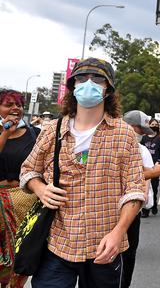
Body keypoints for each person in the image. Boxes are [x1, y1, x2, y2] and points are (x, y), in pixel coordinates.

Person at [20, 57, 146, 288]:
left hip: (104, 246)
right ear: (72, 86)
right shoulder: (52, 131)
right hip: (57, 244)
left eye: (97, 78)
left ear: (108, 89)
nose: (89, 83)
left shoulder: (123, 134)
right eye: (81, 78)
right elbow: (28, 170)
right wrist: (40, 188)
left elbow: (135, 189)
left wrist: (119, 232)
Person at [121, 110, 160, 288]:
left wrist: (147, 201)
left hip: (133, 209)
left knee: (128, 254)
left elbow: (144, 181)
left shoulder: (141, 150)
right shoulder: (107, 144)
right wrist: (152, 173)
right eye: (140, 131)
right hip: (111, 209)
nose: (142, 135)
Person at [0, 89, 40, 288]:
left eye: (19, 105)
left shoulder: (35, 134)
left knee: (21, 253)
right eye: (9, 104)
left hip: (25, 203)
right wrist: (6, 132)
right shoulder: (3, 131)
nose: (15, 109)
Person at [140, 118, 160, 217]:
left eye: (156, 124)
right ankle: (145, 210)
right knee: (145, 186)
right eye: (152, 124)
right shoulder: (144, 138)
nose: (154, 126)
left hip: (155, 167)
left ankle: (154, 204)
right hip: (146, 166)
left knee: (154, 188)